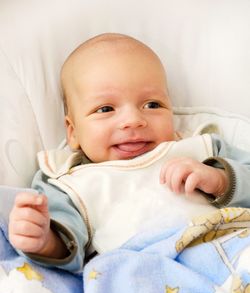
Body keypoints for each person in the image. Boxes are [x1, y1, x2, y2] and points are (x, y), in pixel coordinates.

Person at [8, 33, 250, 273]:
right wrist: (44, 240)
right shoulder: (70, 184)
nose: (133, 120)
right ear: (73, 132)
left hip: (234, 253)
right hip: (146, 278)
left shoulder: (201, 148)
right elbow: (68, 246)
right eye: (105, 109)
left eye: (152, 105)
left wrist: (220, 181)